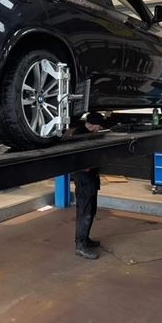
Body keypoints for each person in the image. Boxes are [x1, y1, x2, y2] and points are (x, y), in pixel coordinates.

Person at [72, 111, 105, 260]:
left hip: (92, 177)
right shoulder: (79, 135)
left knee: (91, 210)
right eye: (99, 126)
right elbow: (76, 157)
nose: (100, 129)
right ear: (92, 125)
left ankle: (85, 239)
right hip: (84, 178)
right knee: (84, 212)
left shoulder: (90, 134)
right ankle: (80, 246)